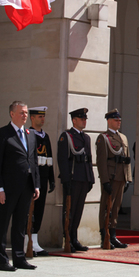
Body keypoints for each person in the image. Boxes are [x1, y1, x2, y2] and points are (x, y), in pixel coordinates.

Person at [0, 101, 40, 271]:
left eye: (26, 113)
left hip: (26, 187)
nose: (24, 116)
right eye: (21, 113)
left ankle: (19, 258)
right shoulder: (2, 134)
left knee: (20, 224)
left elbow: (33, 162)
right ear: (12, 114)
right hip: (7, 188)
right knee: (3, 224)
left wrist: (36, 185)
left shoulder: (30, 134)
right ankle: (2, 260)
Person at [57, 108, 95, 252]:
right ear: (74, 120)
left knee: (78, 210)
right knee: (70, 210)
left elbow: (89, 159)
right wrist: (66, 180)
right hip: (73, 179)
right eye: (81, 119)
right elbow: (62, 160)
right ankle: (67, 238)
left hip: (83, 178)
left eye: (85, 119)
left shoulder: (86, 138)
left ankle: (74, 238)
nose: (84, 121)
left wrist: (90, 178)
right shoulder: (66, 136)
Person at [96, 109, 132, 249]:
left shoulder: (123, 137)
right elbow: (101, 161)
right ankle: (104, 235)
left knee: (116, 208)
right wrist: (105, 181)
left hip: (121, 177)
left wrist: (128, 178)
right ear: (109, 121)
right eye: (116, 120)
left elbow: (126, 160)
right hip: (111, 177)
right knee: (107, 207)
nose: (119, 122)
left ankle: (113, 235)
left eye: (120, 120)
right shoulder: (104, 138)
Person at [27, 106, 55, 256]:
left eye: (43, 116)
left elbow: (49, 158)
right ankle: (27, 241)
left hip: (43, 177)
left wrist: (51, 178)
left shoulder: (45, 136)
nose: (42, 119)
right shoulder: (28, 134)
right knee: (29, 211)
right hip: (32, 179)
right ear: (32, 118)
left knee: (39, 210)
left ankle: (35, 241)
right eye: (39, 116)